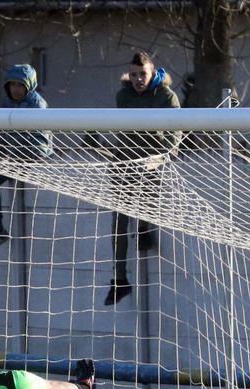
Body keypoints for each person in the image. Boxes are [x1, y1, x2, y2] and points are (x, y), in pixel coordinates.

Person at [106, 51, 181, 306]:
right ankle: (119, 280)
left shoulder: (167, 97)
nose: (138, 79)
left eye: (143, 74)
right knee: (117, 221)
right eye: (134, 75)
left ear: (153, 73)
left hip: (152, 160)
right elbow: (123, 133)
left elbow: (174, 137)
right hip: (125, 161)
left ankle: (145, 227)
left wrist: (160, 157)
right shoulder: (123, 95)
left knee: (144, 194)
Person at [0, 64, 51, 254]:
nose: (15, 89)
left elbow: (40, 141)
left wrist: (21, 156)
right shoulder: (7, 103)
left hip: (32, 157)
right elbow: (4, 133)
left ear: (29, 85)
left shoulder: (37, 104)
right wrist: (0, 153)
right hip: (15, 157)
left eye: (20, 85)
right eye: (12, 85)